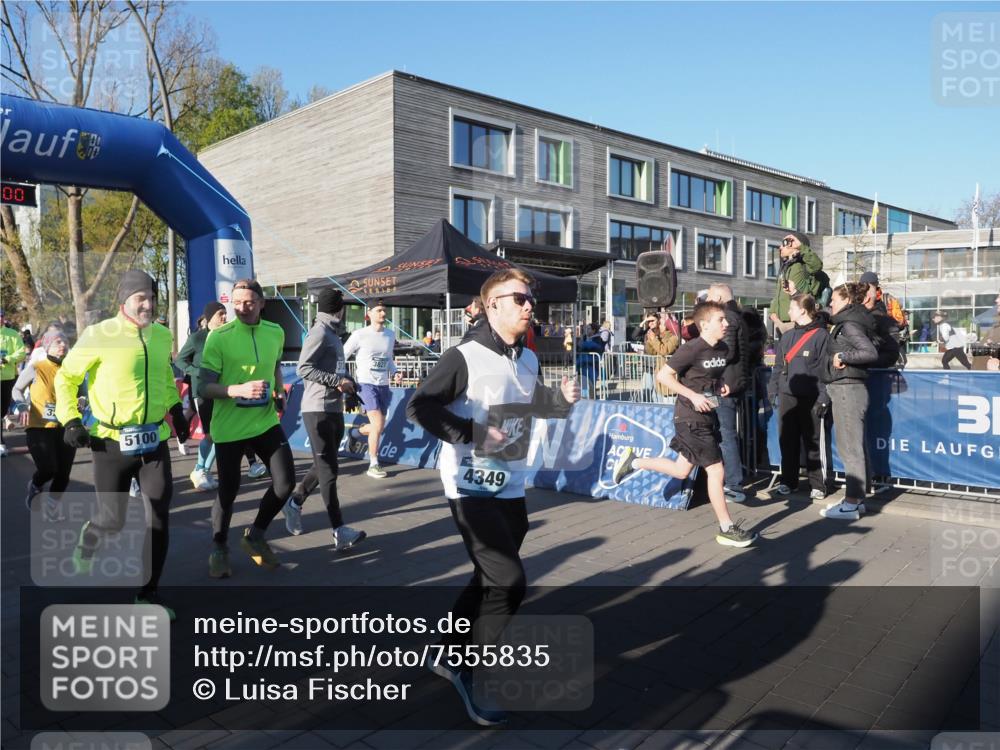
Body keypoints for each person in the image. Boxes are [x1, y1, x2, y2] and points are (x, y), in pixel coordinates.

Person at [407, 268, 580, 727]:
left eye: (530, 298)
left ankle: (447, 651)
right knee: (508, 581)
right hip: (468, 485)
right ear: (491, 305)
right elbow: (420, 405)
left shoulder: (527, 356)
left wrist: (559, 402)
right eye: (519, 298)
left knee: (488, 576)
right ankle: (469, 670)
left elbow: (526, 402)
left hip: (510, 483)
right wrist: (472, 432)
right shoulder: (462, 356)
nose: (529, 306)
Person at [55, 270, 188, 616]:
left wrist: (176, 408)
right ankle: (90, 537)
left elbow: (163, 376)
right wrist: (70, 419)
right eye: (140, 297)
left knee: (158, 516)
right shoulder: (100, 335)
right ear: (123, 301)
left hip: (153, 441)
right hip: (111, 443)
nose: (148, 304)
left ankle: (148, 593)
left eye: (152, 297)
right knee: (112, 520)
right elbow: (66, 377)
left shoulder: (160, 335)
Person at [613, 302, 757, 548]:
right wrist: (693, 396)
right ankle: (726, 528)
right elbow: (663, 376)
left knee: (681, 471)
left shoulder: (722, 348)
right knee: (716, 470)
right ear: (704, 325)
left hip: (707, 415)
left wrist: (720, 386)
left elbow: (710, 376)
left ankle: (634, 461)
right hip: (689, 417)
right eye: (721, 320)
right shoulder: (691, 349)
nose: (726, 324)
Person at [200, 278, 295, 577]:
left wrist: (279, 392)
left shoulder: (275, 332)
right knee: (229, 491)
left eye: (249, 302)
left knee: (285, 483)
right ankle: (219, 547)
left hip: (265, 421)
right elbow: (203, 386)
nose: (241, 308)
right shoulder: (219, 337)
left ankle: (255, 536)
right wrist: (237, 390)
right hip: (230, 426)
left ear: (262, 304)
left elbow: (276, 364)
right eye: (236, 303)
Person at [282, 288, 367, 550]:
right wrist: (336, 381)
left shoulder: (333, 334)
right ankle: (339, 530)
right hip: (316, 408)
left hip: (333, 407)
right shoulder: (319, 332)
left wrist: (348, 385)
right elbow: (303, 368)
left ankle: (295, 502)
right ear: (338, 309)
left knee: (326, 466)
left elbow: (335, 370)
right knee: (329, 471)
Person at [820, 283, 878, 520]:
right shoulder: (847, 322)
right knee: (852, 445)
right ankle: (856, 499)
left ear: (846, 301)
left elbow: (869, 353)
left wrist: (842, 356)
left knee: (849, 447)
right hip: (846, 389)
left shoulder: (849, 324)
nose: (830, 303)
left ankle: (852, 502)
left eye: (834, 299)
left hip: (847, 390)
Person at [767, 294, 831, 500]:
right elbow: (778, 367)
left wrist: (824, 397)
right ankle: (788, 482)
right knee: (788, 440)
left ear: (803, 310)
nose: (788, 312)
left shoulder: (822, 336)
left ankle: (817, 485)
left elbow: (827, 370)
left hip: (811, 396)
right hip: (787, 395)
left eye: (792, 308)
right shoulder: (786, 337)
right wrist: (772, 389)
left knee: (812, 442)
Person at [12, 330, 78, 520]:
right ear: (48, 346)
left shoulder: (71, 369)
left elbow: (82, 392)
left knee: (63, 473)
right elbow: (17, 388)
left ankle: (52, 507)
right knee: (49, 468)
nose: (63, 345)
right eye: (58, 342)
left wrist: (82, 400)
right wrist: (23, 406)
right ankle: (35, 485)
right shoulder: (36, 367)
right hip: (39, 425)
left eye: (65, 341)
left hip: (66, 426)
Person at [703, 285, 751, 502]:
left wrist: (705, 353)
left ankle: (734, 485)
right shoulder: (734, 315)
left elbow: (727, 352)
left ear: (720, 297)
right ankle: (728, 481)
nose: (708, 301)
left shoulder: (728, 318)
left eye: (711, 297)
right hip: (728, 382)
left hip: (726, 385)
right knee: (724, 434)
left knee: (725, 435)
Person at [343, 299, 401, 479]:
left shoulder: (390, 335)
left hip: (383, 384)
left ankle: (354, 433)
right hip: (365, 384)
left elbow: (388, 358)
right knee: (377, 424)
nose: (383, 314)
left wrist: (395, 372)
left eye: (384, 310)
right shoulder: (359, 335)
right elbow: (342, 355)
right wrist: (343, 378)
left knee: (378, 427)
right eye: (379, 311)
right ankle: (373, 464)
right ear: (369, 314)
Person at [175, 301, 228, 490]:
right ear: (210, 317)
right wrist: (197, 371)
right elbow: (180, 360)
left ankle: (203, 470)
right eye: (220, 313)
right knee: (212, 434)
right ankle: (200, 470)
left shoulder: (226, 336)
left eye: (225, 313)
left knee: (220, 434)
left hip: (223, 391)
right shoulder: (197, 338)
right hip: (203, 392)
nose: (224, 317)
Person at [770, 232, 823, 335]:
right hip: (781, 322)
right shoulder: (786, 267)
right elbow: (779, 295)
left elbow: (817, 265)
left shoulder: (803, 265)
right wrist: (773, 312)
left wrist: (801, 247)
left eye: (785, 243)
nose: (780, 247)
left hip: (799, 321)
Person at [858, 272, 902, 369]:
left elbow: (891, 353)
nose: (866, 291)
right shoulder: (854, 311)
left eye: (870, 287)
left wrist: (867, 363)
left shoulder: (884, 314)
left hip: (875, 370)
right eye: (863, 287)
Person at [1, 309, 28, 457]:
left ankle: (4, 418)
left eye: (1, 317)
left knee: (4, 409)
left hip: (7, 377)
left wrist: (6, 359)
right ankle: (1, 442)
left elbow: (22, 353)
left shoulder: (12, 334)